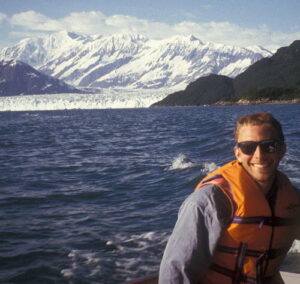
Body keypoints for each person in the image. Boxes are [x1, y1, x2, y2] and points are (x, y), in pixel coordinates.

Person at [159, 112, 300, 284]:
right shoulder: (210, 201)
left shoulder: (292, 198)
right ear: (238, 153)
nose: (259, 155)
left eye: (269, 146)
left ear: (282, 150)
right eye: (248, 147)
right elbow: (177, 270)